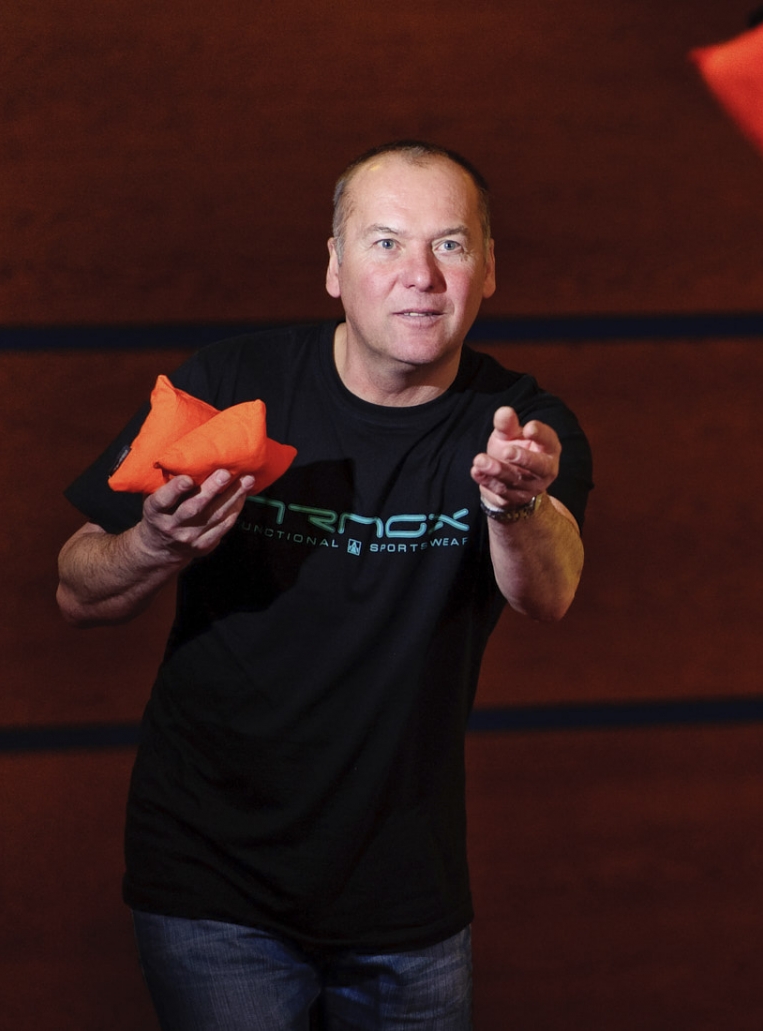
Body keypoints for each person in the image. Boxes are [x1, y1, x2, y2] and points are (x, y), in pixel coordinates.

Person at [57, 140, 591, 1030]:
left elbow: (551, 591)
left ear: (489, 270)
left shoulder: (520, 428)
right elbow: (77, 588)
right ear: (335, 268)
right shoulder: (231, 385)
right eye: (386, 242)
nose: (421, 274)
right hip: (213, 881)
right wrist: (154, 542)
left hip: (407, 895)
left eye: (450, 244)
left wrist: (513, 504)